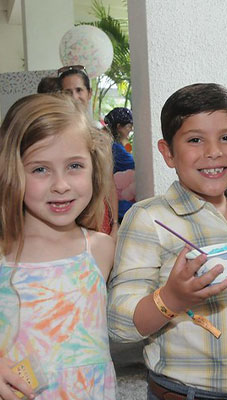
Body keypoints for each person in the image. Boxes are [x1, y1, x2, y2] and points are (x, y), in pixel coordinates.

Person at [107, 83, 227, 400]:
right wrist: (171, 299)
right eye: (195, 139)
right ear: (168, 152)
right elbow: (119, 324)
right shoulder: (150, 219)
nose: (213, 151)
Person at [0, 93, 116, 399]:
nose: (61, 184)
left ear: (94, 167)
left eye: (74, 166)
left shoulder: (101, 250)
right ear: (11, 172)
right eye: (40, 169)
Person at [58, 64, 119, 239]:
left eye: (79, 90)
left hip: (98, 217)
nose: (75, 97)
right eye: (68, 92)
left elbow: (109, 183)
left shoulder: (101, 137)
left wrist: (114, 224)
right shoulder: (55, 137)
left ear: (89, 93)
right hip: (67, 215)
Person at [104, 107, 136, 223]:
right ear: (119, 127)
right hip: (121, 206)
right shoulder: (116, 149)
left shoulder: (123, 144)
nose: (131, 129)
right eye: (128, 126)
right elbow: (136, 164)